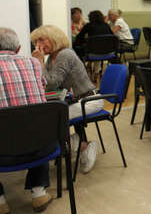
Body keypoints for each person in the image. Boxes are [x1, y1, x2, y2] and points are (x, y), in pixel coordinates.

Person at [30, 25, 101, 175]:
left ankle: (84, 146)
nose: (38, 45)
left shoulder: (65, 54)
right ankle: (73, 142)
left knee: (50, 121)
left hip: (89, 100)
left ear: (54, 37)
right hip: (76, 101)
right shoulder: (51, 59)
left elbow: (50, 84)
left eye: (42, 40)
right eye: (36, 41)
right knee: (44, 117)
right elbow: (48, 85)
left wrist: (39, 62)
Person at [0, 28, 54, 212]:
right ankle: (38, 193)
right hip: (41, 148)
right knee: (37, 123)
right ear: (18, 48)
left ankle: (0, 201)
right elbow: (43, 89)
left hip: (3, 153)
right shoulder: (33, 63)